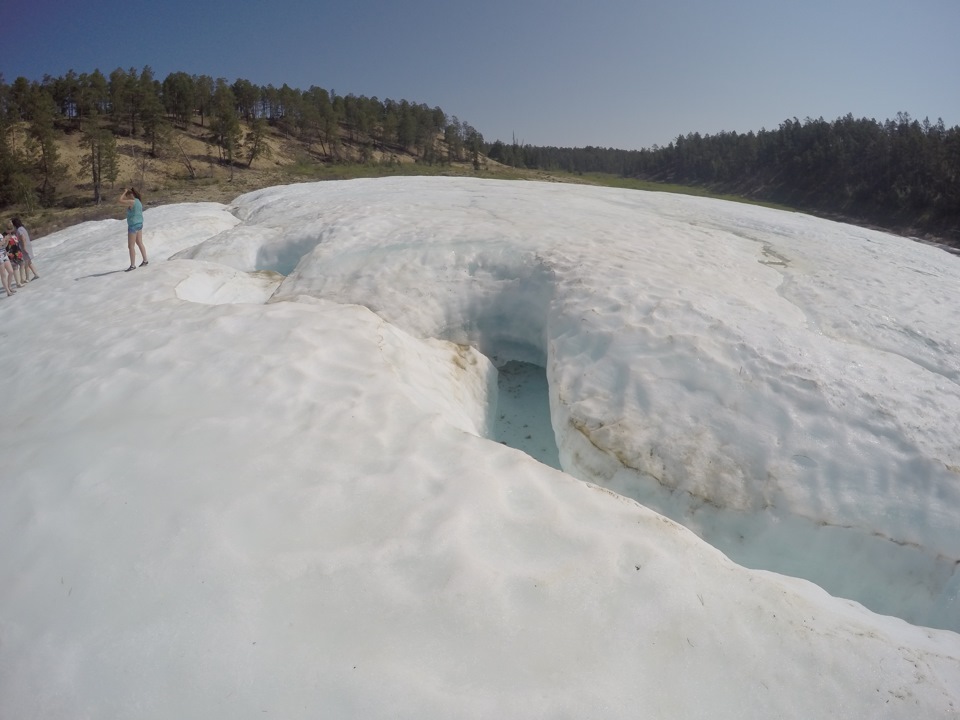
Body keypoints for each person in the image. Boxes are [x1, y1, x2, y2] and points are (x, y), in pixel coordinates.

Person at [118, 187, 148, 271]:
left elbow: (120, 200)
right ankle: (145, 260)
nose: (126, 198)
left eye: (127, 196)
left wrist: (124, 192)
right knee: (140, 243)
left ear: (131, 195)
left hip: (133, 226)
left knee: (131, 246)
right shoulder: (139, 201)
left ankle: (132, 265)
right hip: (139, 224)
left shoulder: (132, 202)